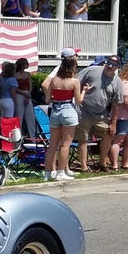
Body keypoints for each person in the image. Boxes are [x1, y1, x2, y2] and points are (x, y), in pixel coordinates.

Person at [43, 47, 88, 181]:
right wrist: (84, 91)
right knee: (65, 144)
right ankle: (61, 172)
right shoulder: (74, 81)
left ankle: (47, 172)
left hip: (55, 109)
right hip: (68, 109)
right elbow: (79, 100)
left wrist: (56, 98)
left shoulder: (54, 80)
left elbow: (47, 99)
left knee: (53, 144)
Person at [76, 54, 122, 171]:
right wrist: (80, 92)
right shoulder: (92, 70)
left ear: (118, 67)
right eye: (109, 62)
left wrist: (113, 123)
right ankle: (84, 167)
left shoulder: (117, 82)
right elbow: (75, 81)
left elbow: (116, 105)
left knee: (108, 134)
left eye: (114, 64)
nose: (110, 65)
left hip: (101, 115)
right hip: (83, 112)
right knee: (83, 139)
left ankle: (102, 163)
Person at [14, 57, 36, 138]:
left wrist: (28, 94)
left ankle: (33, 138)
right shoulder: (15, 75)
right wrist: (23, 93)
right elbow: (14, 88)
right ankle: (18, 139)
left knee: (31, 117)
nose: (27, 65)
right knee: (19, 117)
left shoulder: (28, 74)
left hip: (27, 94)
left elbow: (30, 85)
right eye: (26, 63)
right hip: (19, 95)